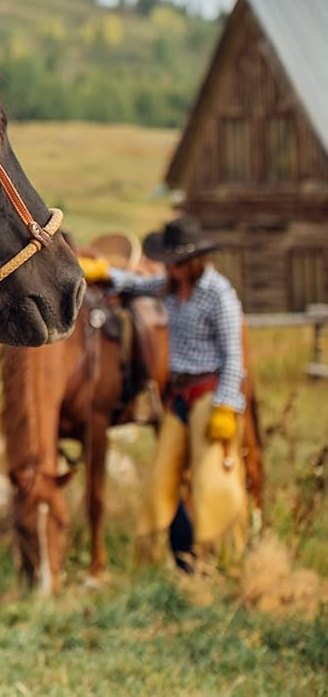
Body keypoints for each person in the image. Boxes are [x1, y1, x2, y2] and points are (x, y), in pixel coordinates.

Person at [80, 217, 250, 568]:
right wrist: (102, 273)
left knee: (211, 480)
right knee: (162, 477)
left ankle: (222, 561)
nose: (169, 269)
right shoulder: (171, 287)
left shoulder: (219, 295)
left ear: (192, 261)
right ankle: (162, 557)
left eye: (174, 263)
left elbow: (234, 355)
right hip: (179, 396)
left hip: (210, 393)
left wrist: (226, 406)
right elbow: (138, 283)